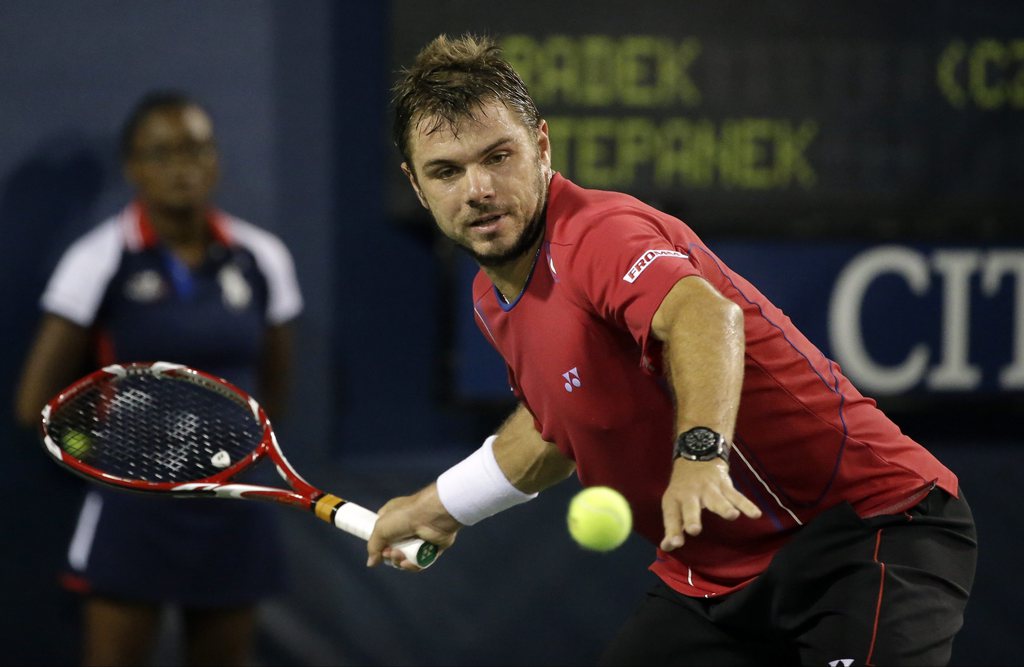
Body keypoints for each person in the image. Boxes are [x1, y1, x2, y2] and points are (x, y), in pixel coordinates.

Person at [366, 34, 978, 666]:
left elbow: (705, 317)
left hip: (867, 530)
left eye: (499, 157)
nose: (479, 189)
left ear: (542, 146)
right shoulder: (492, 300)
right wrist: (440, 507)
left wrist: (700, 454)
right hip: (715, 582)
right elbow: (558, 426)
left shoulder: (599, 236)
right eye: (447, 171)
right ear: (416, 184)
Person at [14, 90, 303, 666]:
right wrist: (102, 459)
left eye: (196, 149)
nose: (182, 166)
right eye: (163, 152)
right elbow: (35, 407)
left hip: (234, 506)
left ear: (216, 159)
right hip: (135, 514)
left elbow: (275, 388)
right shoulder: (98, 260)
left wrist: (233, 454)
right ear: (134, 168)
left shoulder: (262, 257)